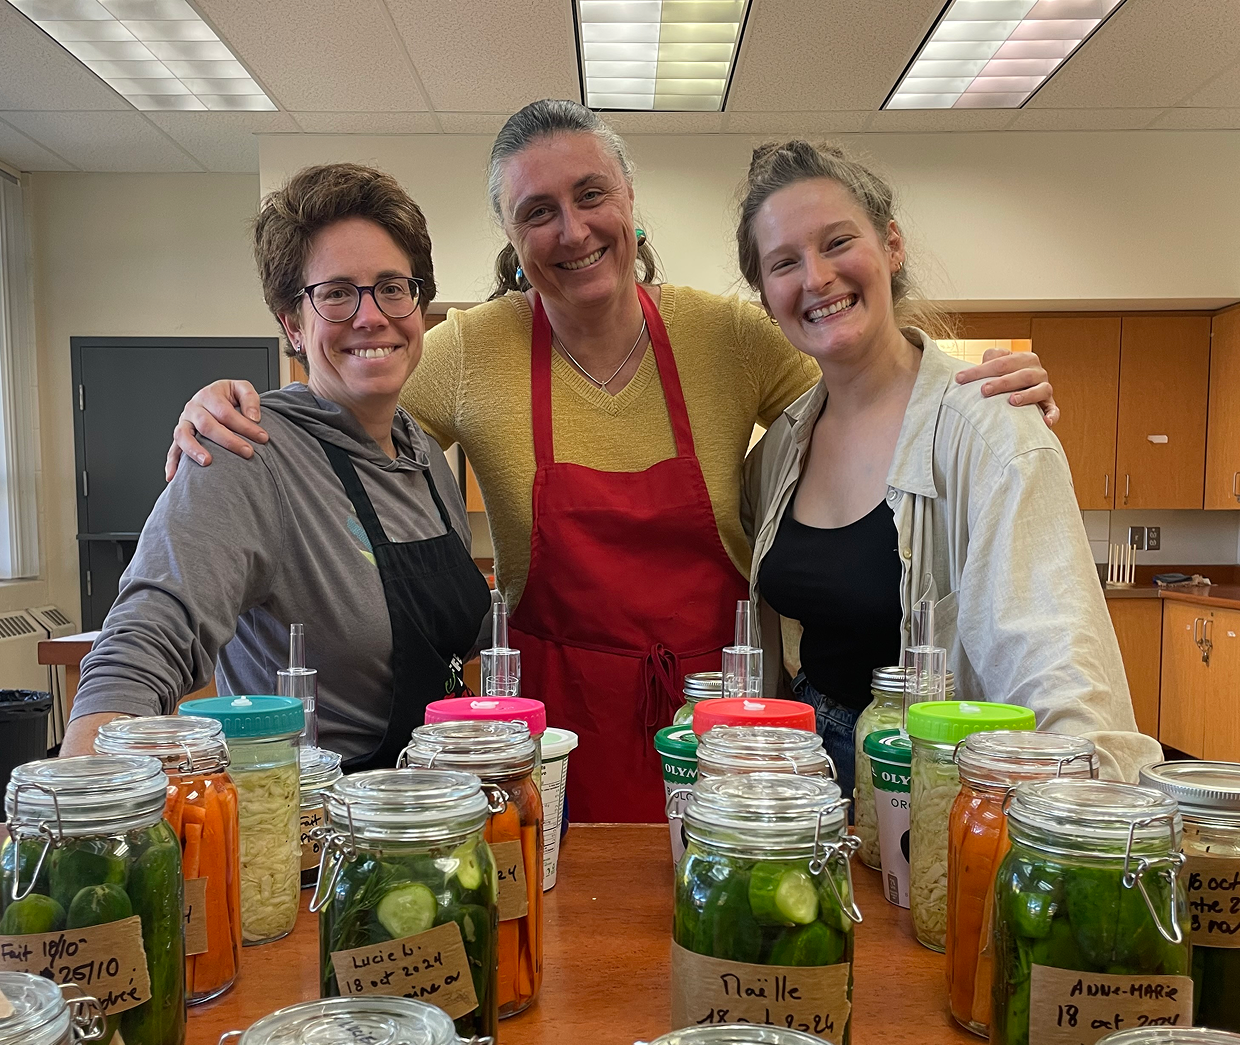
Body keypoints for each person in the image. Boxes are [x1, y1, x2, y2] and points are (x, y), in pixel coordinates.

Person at [164, 101, 1057, 821]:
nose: (572, 229)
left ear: (630, 200)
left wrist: (969, 390)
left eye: (592, 195)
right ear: (512, 239)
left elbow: (865, 382)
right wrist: (237, 405)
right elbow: (352, 411)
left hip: (722, 726)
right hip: (555, 740)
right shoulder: (472, 348)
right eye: (536, 212)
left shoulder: (729, 335)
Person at [739, 140, 1158, 789]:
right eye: (784, 262)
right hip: (803, 771)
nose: (816, 277)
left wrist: (1078, 820)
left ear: (892, 245)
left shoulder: (991, 425)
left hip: (935, 777)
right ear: (767, 298)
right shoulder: (778, 452)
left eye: (837, 242)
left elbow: (1058, 664)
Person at [61, 163, 491, 766]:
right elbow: (146, 636)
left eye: (394, 286)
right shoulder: (245, 453)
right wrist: (87, 809)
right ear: (293, 322)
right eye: (336, 293)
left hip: (428, 819)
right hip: (315, 837)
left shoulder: (424, 456)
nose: (372, 315)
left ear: (419, 305)